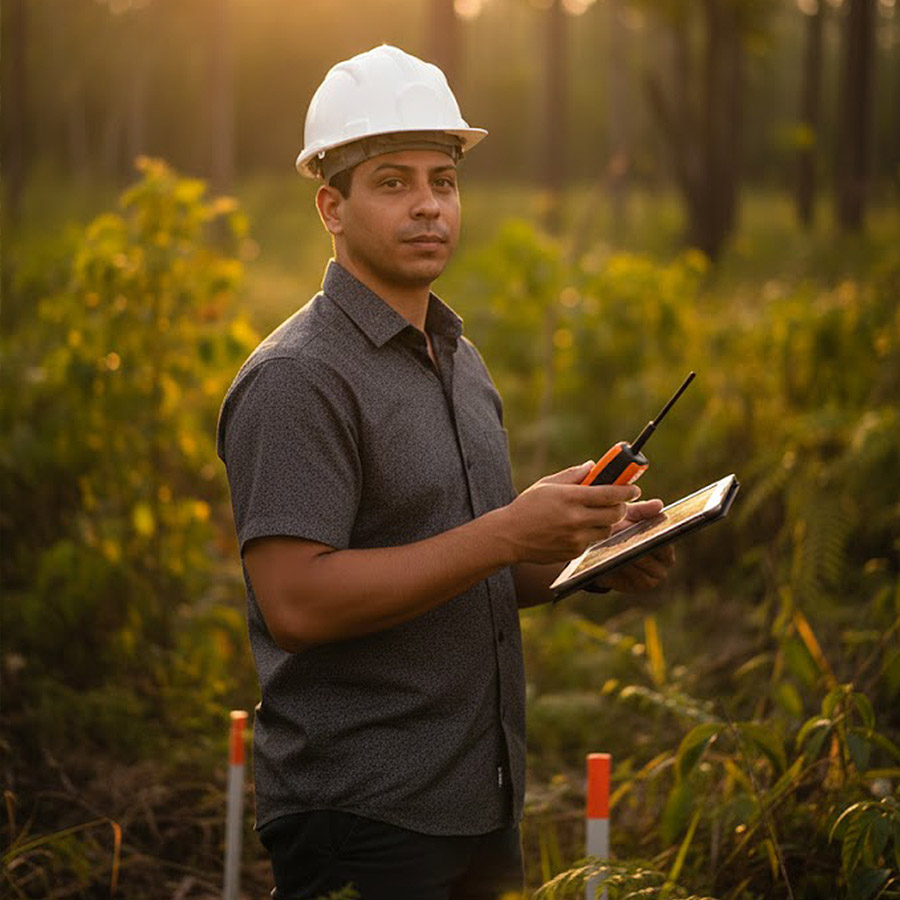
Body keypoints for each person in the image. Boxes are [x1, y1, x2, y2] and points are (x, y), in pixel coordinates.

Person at [217, 44, 673, 900]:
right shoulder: (296, 379)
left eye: (444, 180)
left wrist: (585, 551)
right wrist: (507, 528)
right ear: (331, 206)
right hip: (363, 818)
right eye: (393, 182)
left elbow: (474, 567)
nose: (429, 206)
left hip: (479, 798)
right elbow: (299, 603)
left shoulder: (459, 361)